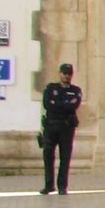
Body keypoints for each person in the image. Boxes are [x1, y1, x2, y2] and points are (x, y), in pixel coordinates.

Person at [40, 62, 82, 195]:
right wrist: (64, 103)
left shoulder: (76, 90)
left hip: (66, 127)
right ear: (60, 74)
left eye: (69, 73)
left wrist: (57, 102)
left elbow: (73, 106)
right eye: (64, 73)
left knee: (65, 157)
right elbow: (47, 104)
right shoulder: (50, 88)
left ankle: (62, 186)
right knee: (48, 156)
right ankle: (49, 185)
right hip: (51, 126)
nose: (67, 76)